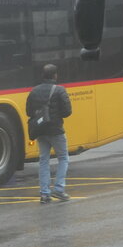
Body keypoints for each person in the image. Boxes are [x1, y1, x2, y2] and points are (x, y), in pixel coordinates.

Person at [26, 64, 73, 202]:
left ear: (43, 75)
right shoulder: (60, 90)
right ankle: (59, 189)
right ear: (55, 75)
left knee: (44, 160)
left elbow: (29, 112)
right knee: (63, 157)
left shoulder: (34, 91)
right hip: (56, 130)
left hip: (40, 130)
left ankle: (44, 193)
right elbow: (67, 112)